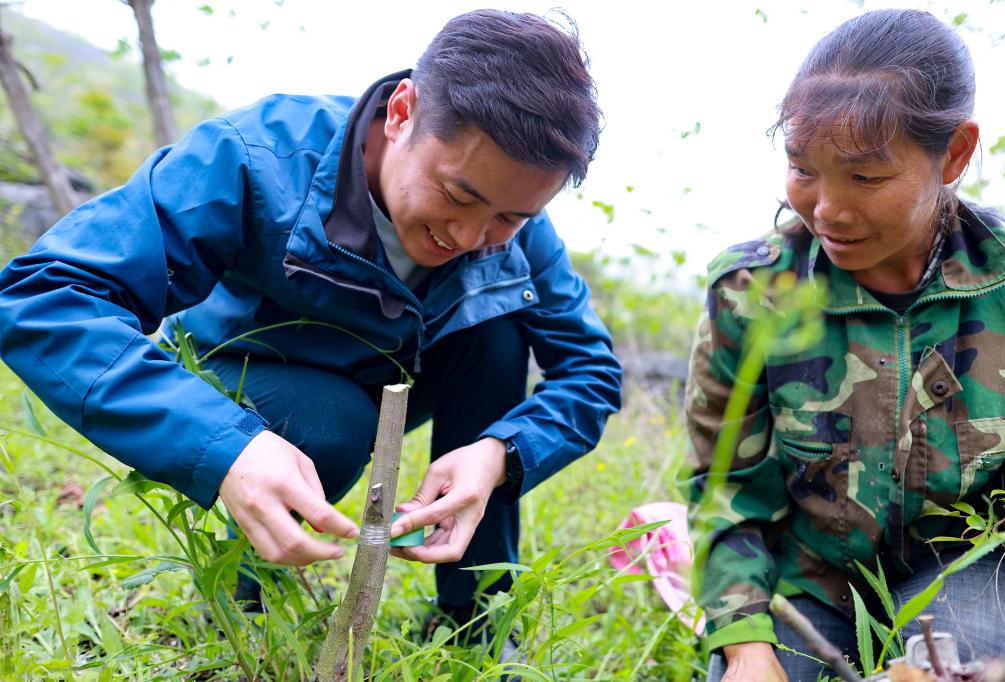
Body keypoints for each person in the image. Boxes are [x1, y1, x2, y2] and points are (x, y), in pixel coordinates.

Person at [0, 9, 621, 642]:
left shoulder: (517, 233)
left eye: (509, 216)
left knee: (498, 333)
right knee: (331, 423)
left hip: (393, 377)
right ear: (403, 111)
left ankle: (478, 613)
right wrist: (225, 442)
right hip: (248, 374)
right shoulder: (257, 158)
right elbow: (46, 295)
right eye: (458, 196)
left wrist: (500, 454)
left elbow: (591, 373)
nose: (468, 237)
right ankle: (248, 603)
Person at [681, 9, 1005, 681]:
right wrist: (747, 649)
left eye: (864, 178)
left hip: (963, 567)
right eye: (802, 168)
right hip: (809, 577)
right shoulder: (752, 292)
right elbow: (724, 493)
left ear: (953, 153)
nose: (828, 208)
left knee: (974, 667)